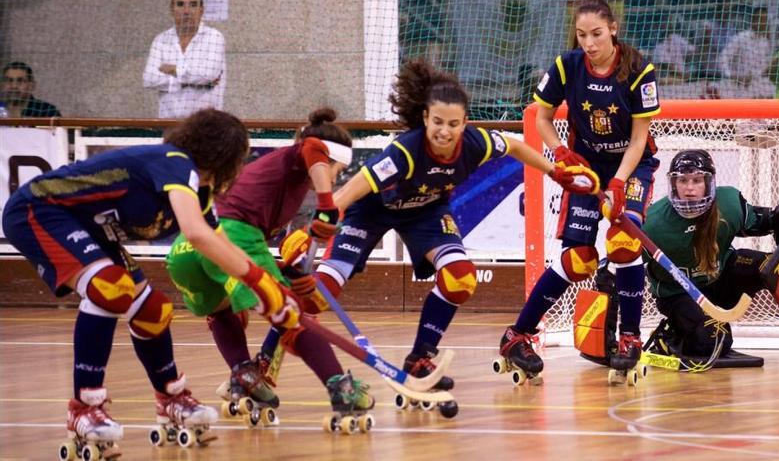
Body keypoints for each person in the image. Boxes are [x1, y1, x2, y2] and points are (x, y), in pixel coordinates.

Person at [1, 109, 300, 454]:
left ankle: (170, 397)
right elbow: (197, 235)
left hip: (90, 229)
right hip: (38, 210)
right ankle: (85, 406)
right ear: (226, 156)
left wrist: (272, 294)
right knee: (110, 288)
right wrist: (261, 285)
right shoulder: (175, 162)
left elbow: (222, 246)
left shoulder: (198, 193)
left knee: (153, 309)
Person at [305, 59, 587, 398]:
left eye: (454, 123)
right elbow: (348, 193)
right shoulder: (404, 152)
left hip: (426, 212)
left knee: (460, 278)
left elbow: (513, 146)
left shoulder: (474, 143)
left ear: (465, 122)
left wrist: (554, 170)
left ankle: (420, 357)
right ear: (425, 118)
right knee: (320, 292)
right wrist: (310, 229)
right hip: (372, 212)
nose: (444, 130)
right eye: (437, 121)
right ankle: (263, 363)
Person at [165, 107, 374, 420]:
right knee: (292, 316)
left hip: (187, 249)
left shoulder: (284, 176)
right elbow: (312, 148)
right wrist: (327, 204)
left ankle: (243, 373)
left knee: (221, 310)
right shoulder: (298, 155)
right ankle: (340, 388)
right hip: (233, 237)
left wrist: (292, 274)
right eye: (337, 169)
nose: (335, 177)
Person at [500, 0, 661, 380]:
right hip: (585, 169)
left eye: (597, 34)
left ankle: (630, 338)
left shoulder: (638, 69)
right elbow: (541, 118)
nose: (589, 43)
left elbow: (640, 138)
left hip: (631, 167)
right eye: (581, 34)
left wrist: (619, 182)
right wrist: (562, 155)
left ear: (614, 29)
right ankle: (517, 335)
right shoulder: (566, 66)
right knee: (579, 260)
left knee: (623, 244)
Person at [640, 150, 779, 363]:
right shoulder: (651, 223)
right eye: (683, 181)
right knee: (713, 343)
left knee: (776, 264)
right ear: (673, 183)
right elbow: (623, 266)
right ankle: (669, 337)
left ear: (709, 183)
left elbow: (765, 221)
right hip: (680, 294)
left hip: (721, 278)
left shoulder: (728, 203)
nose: (689, 189)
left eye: (697, 180)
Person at [143, 0, 225, 118]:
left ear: (201, 10)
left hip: (206, 125)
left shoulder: (214, 37)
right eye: (180, 4)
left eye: (193, 5)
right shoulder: (160, 40)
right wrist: (193, 79)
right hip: (168, 125)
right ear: (171, 9)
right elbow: (149, 79)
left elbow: (209, 75)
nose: (186, 11)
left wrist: (173, 70)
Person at [718, 7, 773, 88]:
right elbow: (723, 57)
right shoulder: (741, 37)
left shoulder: (765, 43)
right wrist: (730, 75)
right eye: (761, 19)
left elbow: (764, 67)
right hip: (737, 87)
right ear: (753, 20)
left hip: (757, 88)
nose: (763, 23)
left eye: (765, 20)